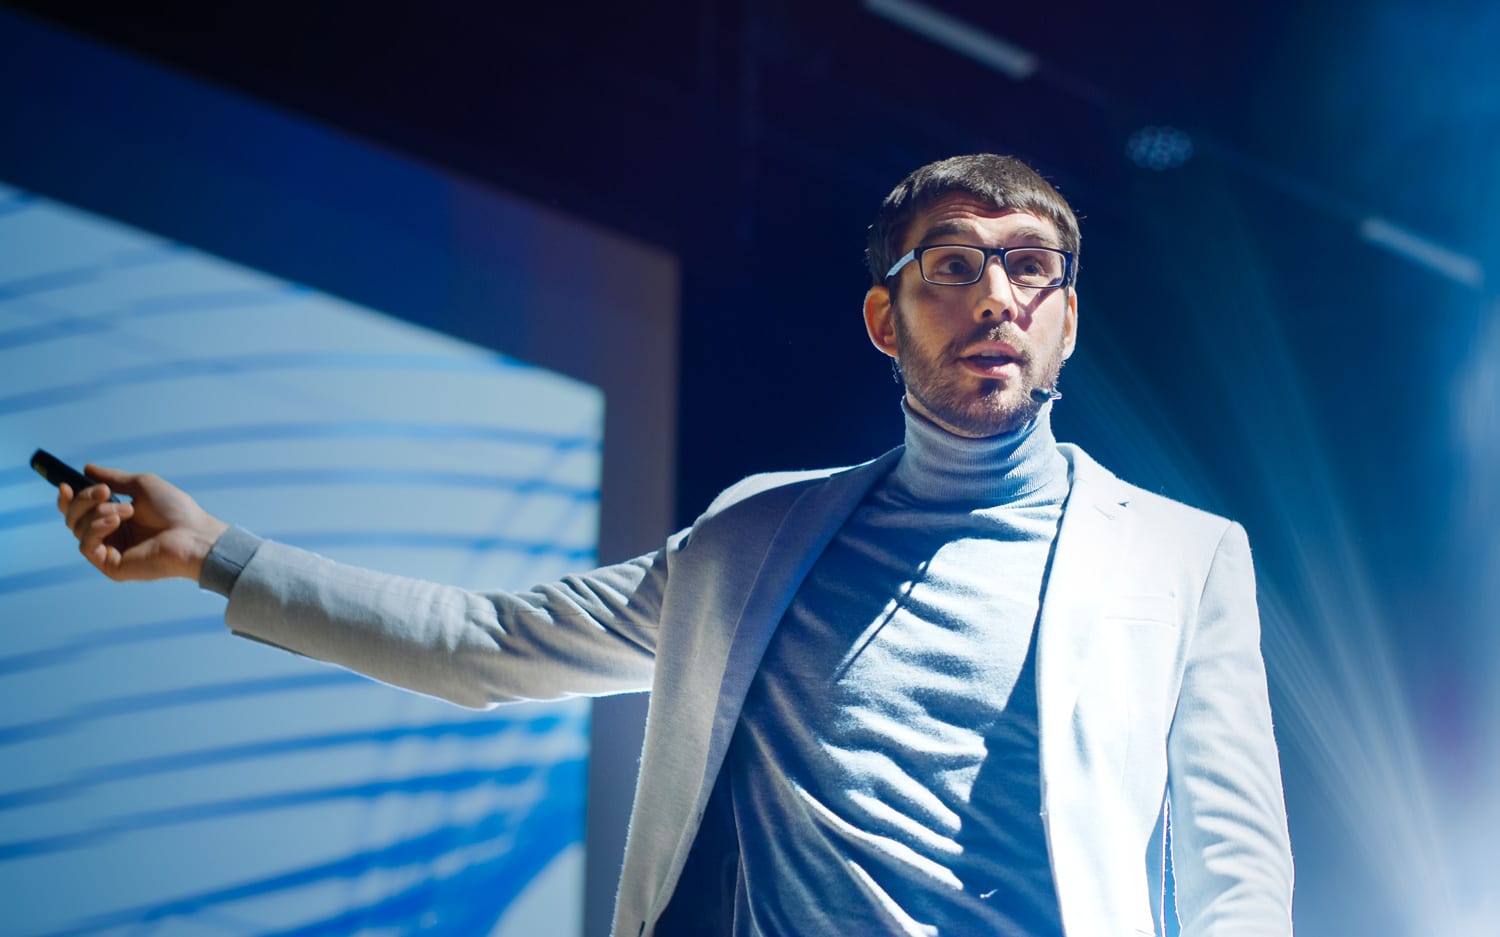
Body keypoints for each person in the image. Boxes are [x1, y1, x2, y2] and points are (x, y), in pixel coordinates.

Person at [58, 154, 1294, 936]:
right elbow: (487, 644)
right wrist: (218, 549)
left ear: (1066, 317)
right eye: (953, 266)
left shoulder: (1181, 557)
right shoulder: (755, 535)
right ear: (885, 317)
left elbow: (1237, 872)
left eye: (1030, 267)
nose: (996, 296)